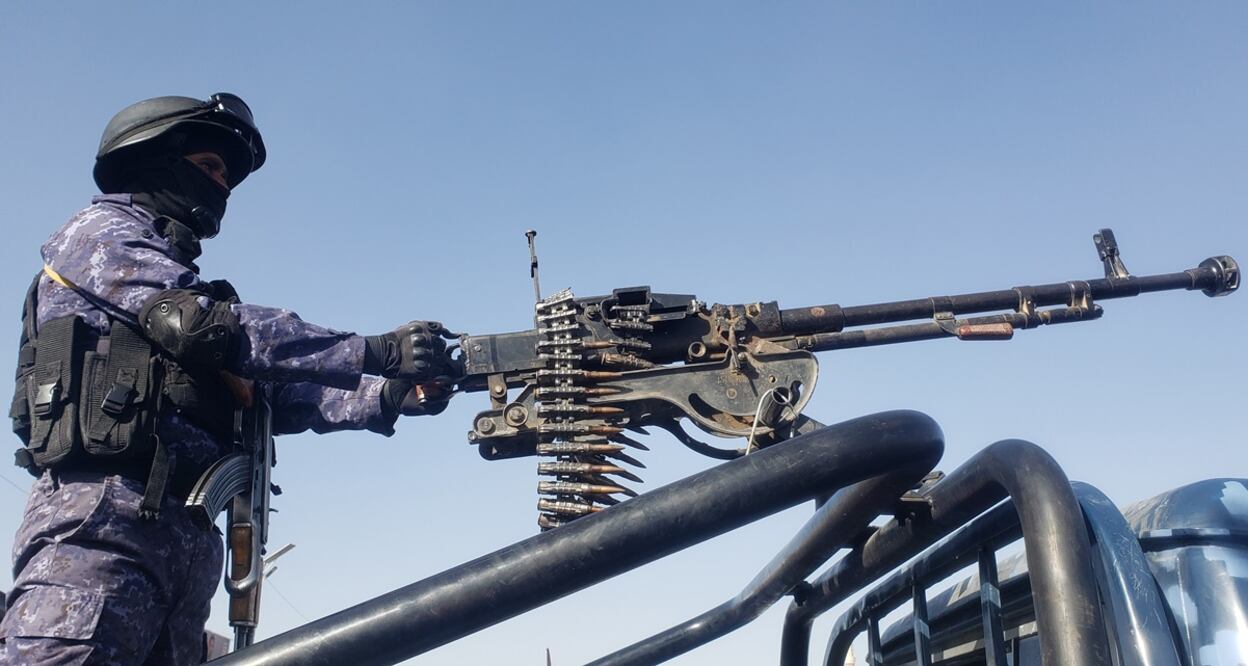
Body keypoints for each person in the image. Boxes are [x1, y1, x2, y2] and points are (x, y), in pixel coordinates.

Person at [0, 93, 457, 665]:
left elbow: (268, 395)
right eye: (209, 166)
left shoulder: (174, 283)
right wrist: (373, 351)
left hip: (184, 540)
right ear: (155, 159)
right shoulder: (99, 235)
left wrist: (387, 395)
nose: (221, 186)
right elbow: (205, 330)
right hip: (102, 527)